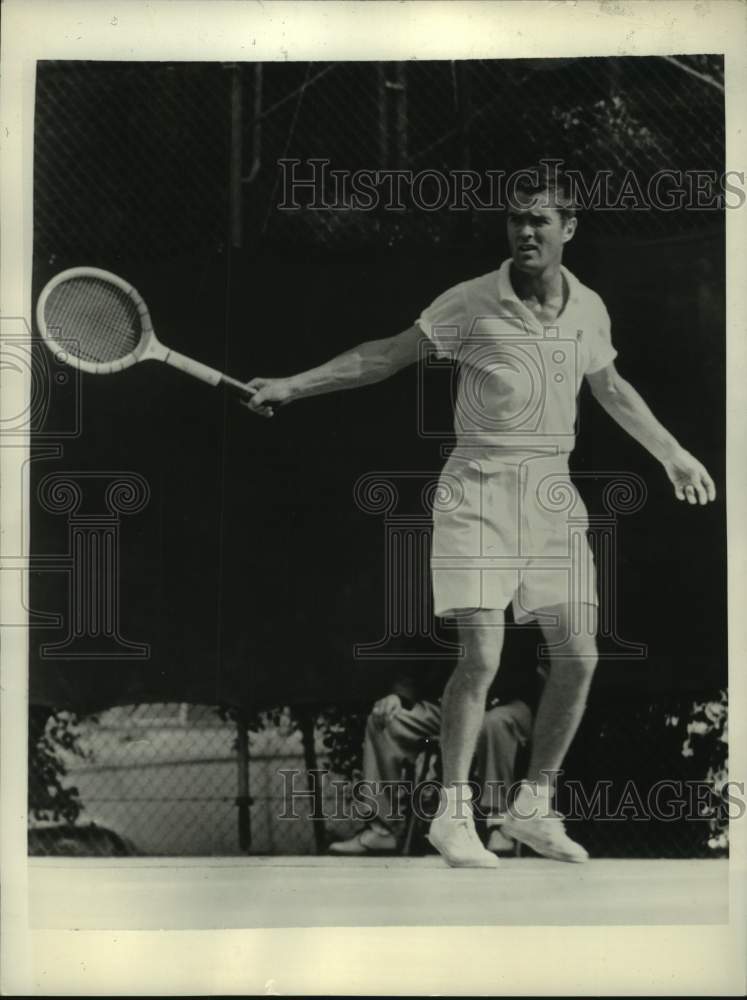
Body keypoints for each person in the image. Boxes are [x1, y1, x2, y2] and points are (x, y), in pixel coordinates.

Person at [243, 164, 716, 868]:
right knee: (482, 655)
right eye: (515, 219)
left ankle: (532, 806)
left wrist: (672, 452)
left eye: (540, 220)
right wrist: (293, 384)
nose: (525, 231)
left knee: (579, 655)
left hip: (551, 495)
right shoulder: (469, 302)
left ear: (568, 228)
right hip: (479, 489)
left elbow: (611, 389)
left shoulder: (587, 308)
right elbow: (384, 356)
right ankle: (454, 815)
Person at [328, 664, 539, 857]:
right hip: (451, 705)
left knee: (494, 725)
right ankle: (382, 830)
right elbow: (416, 652)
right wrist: (399, 696)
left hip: (506, 702)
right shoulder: (440, 620)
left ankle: (500, 827)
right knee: (386, 721)